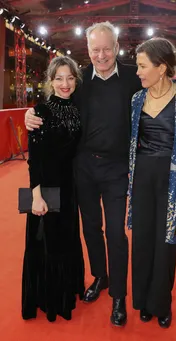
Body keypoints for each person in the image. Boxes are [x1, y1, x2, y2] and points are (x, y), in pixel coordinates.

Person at [24, 22, 176, 326]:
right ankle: (100, 277)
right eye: (95, 49)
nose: (101, 54)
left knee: (115, 233)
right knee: (91, 229)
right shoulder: (80, 80)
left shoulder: (134, 80)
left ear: (117, 46)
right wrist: (34, 112)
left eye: (107, 48)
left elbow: (167, 90)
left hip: (119, 169)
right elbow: (59, 100)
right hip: (82, 167)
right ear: (88, 50)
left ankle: (119, 295)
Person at [127, 38, 176, 329]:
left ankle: (161, 304)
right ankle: (144, 300)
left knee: (167, 242)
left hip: (174, 181)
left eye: (142, 66)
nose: (138, 72)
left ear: (161, 68)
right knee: (143, 240)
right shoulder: (137, 99)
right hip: (141, 180)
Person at [22, 56, 85, 322]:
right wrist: (35, 196)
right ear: (50, 81)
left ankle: (67, 289)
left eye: (70, 77)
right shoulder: (40, 111)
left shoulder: (80, 108)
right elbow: (34, 158)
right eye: (59, 78)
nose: (65, 83)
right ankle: (49, 300)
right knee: (46, 242)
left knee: (66, 238)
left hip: (70, 186)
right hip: (46, 186)